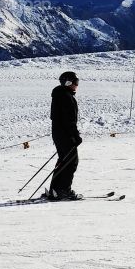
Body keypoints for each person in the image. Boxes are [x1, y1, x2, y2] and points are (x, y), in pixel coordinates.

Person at [47, 71, 83, 201]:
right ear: (68, 82)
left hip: (58, 134)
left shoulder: (59, 95)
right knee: (71, 162)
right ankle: (64, 191)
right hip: (65, 135)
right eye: (75, 82)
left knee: (63, 161)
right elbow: (69, 121)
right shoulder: (66, 97)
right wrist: (75, 136)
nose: (77, 85)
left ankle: (55, 190)